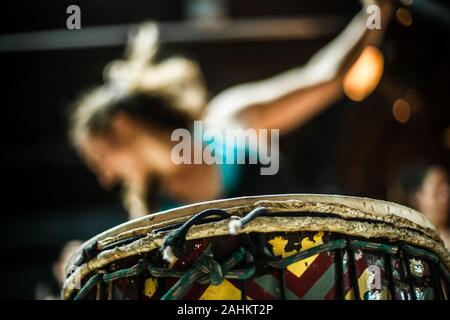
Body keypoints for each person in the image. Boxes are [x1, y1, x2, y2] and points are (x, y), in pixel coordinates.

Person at [69, 0, 392, 219]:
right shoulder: (148, 210)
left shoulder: (230, 117)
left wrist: (376, 13)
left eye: (100, 157)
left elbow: (324, 78)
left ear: (122, 125)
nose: (106, 177)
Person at [388, 163, 450, 249]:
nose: (445, 198)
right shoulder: (404, 240)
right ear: (417, 197)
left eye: (446, 191)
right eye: (438, 191)